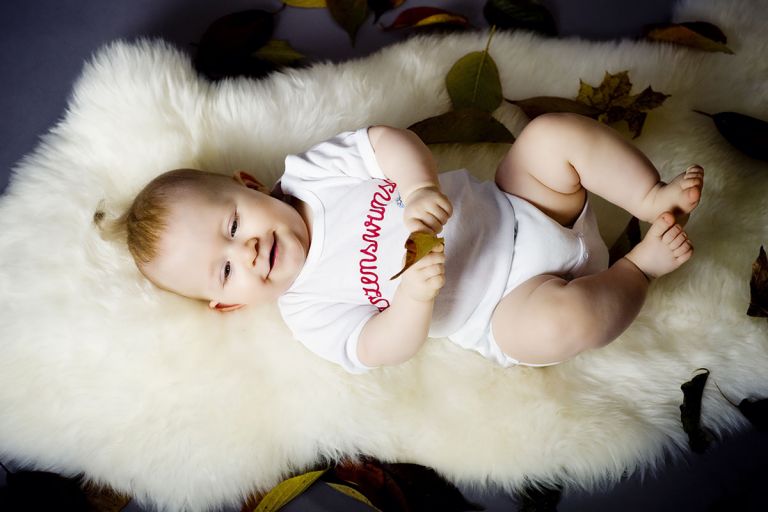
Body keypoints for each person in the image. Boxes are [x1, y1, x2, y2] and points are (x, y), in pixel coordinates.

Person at [112, 113, 703, 373]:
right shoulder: (309, 311)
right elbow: (378, 348)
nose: (244, 252)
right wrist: (410, 302)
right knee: (562, 325)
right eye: (224, 271)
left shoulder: (311, 175)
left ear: (247, 185)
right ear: (229, 304)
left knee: (551, 136)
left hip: (521, 205)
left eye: (233, 225)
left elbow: (386, 141)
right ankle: (638, 269)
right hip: (505, 309)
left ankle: (649, 196)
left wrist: (418, 186)